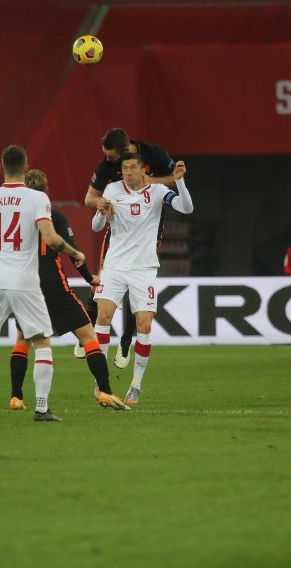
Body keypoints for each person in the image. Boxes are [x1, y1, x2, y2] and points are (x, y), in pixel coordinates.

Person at [0, 145, 85, 423]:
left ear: (0, 168)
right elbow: (51, 238)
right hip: (24, 280)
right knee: (41, 342)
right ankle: (42, 408)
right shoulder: (37, 198)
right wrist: (75, 253)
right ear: (26, 167)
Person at [8, 169, 128, 412]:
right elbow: (73, 252)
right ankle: (105, 391)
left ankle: (16, 397)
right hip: (53, 285)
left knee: (23, 340)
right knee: (88, 336)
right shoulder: (56, 217)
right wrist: (89, 278)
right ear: (47, 191)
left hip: (24, 285)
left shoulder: (16, 219)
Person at [91, 152, 194, 404]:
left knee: (144, 326)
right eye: (124, 168)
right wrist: (100, 211)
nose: (127, 172)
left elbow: (187, 208)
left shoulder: (157, 191)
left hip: (144, 268)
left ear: (142, 169)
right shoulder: (113, 189)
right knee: (103, 318)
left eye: (132, 168)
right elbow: (95, 227)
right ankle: (100, 383)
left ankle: (135, 384)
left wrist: (179, 181)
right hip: (115, 265)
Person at [78, 128, 177, 368]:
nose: (108, 161)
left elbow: (177, 179)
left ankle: (125, 340)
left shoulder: (154, 153)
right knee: (104, 275)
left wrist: (148, 183)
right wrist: (101, 203)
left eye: (112, 157)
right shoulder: (106, 167)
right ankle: (88, 334)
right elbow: (89, 198)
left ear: (125, 151)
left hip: (149, 220)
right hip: (119, 220)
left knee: (138, 289)